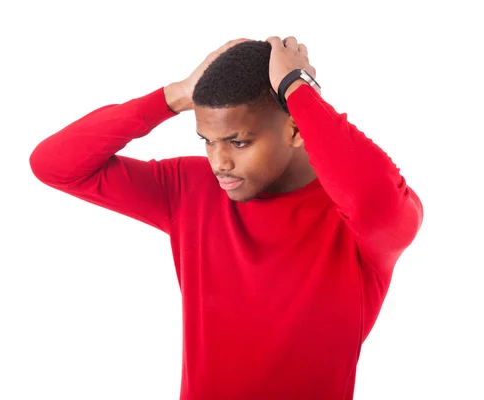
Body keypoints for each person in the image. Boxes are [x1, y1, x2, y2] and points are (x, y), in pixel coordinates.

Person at [29, 36, 423, 400]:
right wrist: (176, 96)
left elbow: (375, 197)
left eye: (238, 142)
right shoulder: (190, 188)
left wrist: (298, 89)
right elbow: (55, 165)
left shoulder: (355, 222)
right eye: (207, 141)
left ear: (295, 129)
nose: (219, 163)